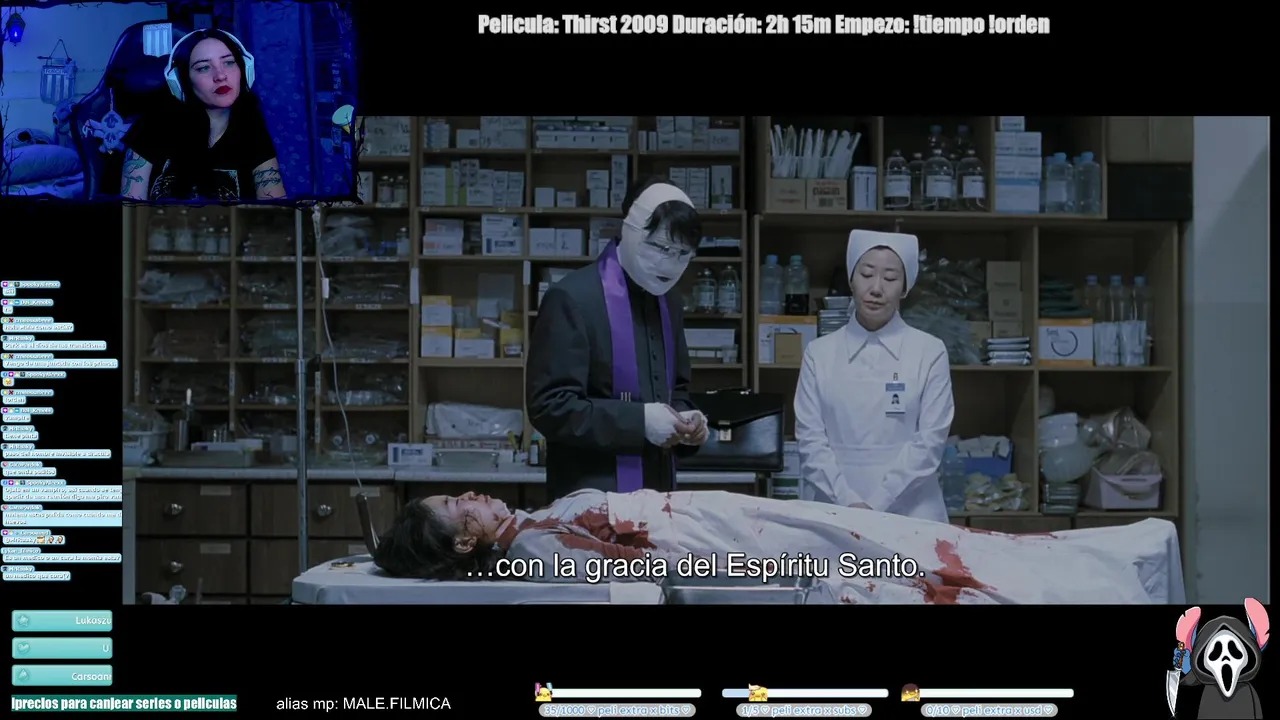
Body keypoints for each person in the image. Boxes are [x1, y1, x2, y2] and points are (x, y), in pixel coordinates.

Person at [371, 489, 1185, 605]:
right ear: (466, 539)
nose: (472, 494)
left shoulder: (537, 527)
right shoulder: (539, 554)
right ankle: (1119, 577)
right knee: (926, 565)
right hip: (742, 548)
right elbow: (660, 576)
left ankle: (1123, 565)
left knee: (935, 544)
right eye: (457, 505)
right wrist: (790, 571)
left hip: (742, 523)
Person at [525, 177, 708, 501]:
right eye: (661, 247)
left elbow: (677, 388)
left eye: (682, 253)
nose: (669, 263)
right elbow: (550, 406)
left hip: (658, 492)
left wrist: (687, 420)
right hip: (591, 495)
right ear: (631, 232)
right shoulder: (573, 298)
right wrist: (640, 423)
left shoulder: (669, 302)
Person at [794, 229, 954, 523]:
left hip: (914, 514)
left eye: (890, 278)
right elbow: (810, 440)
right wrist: (849, 502)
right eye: (866, 274)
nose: (876, 288)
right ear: (851, 279)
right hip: (836, 511)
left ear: (905, 287)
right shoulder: (819, 353)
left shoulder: (930, 352)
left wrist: (877, 503)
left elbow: (930, 442)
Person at [120, 29, 285, 202]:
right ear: (181, 80)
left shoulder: (253, 128)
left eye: (229, 62)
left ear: (244, 69)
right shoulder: (151, 128)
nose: (220, 76)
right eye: (204, 67)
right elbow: (130, 213)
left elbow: (275, 210)